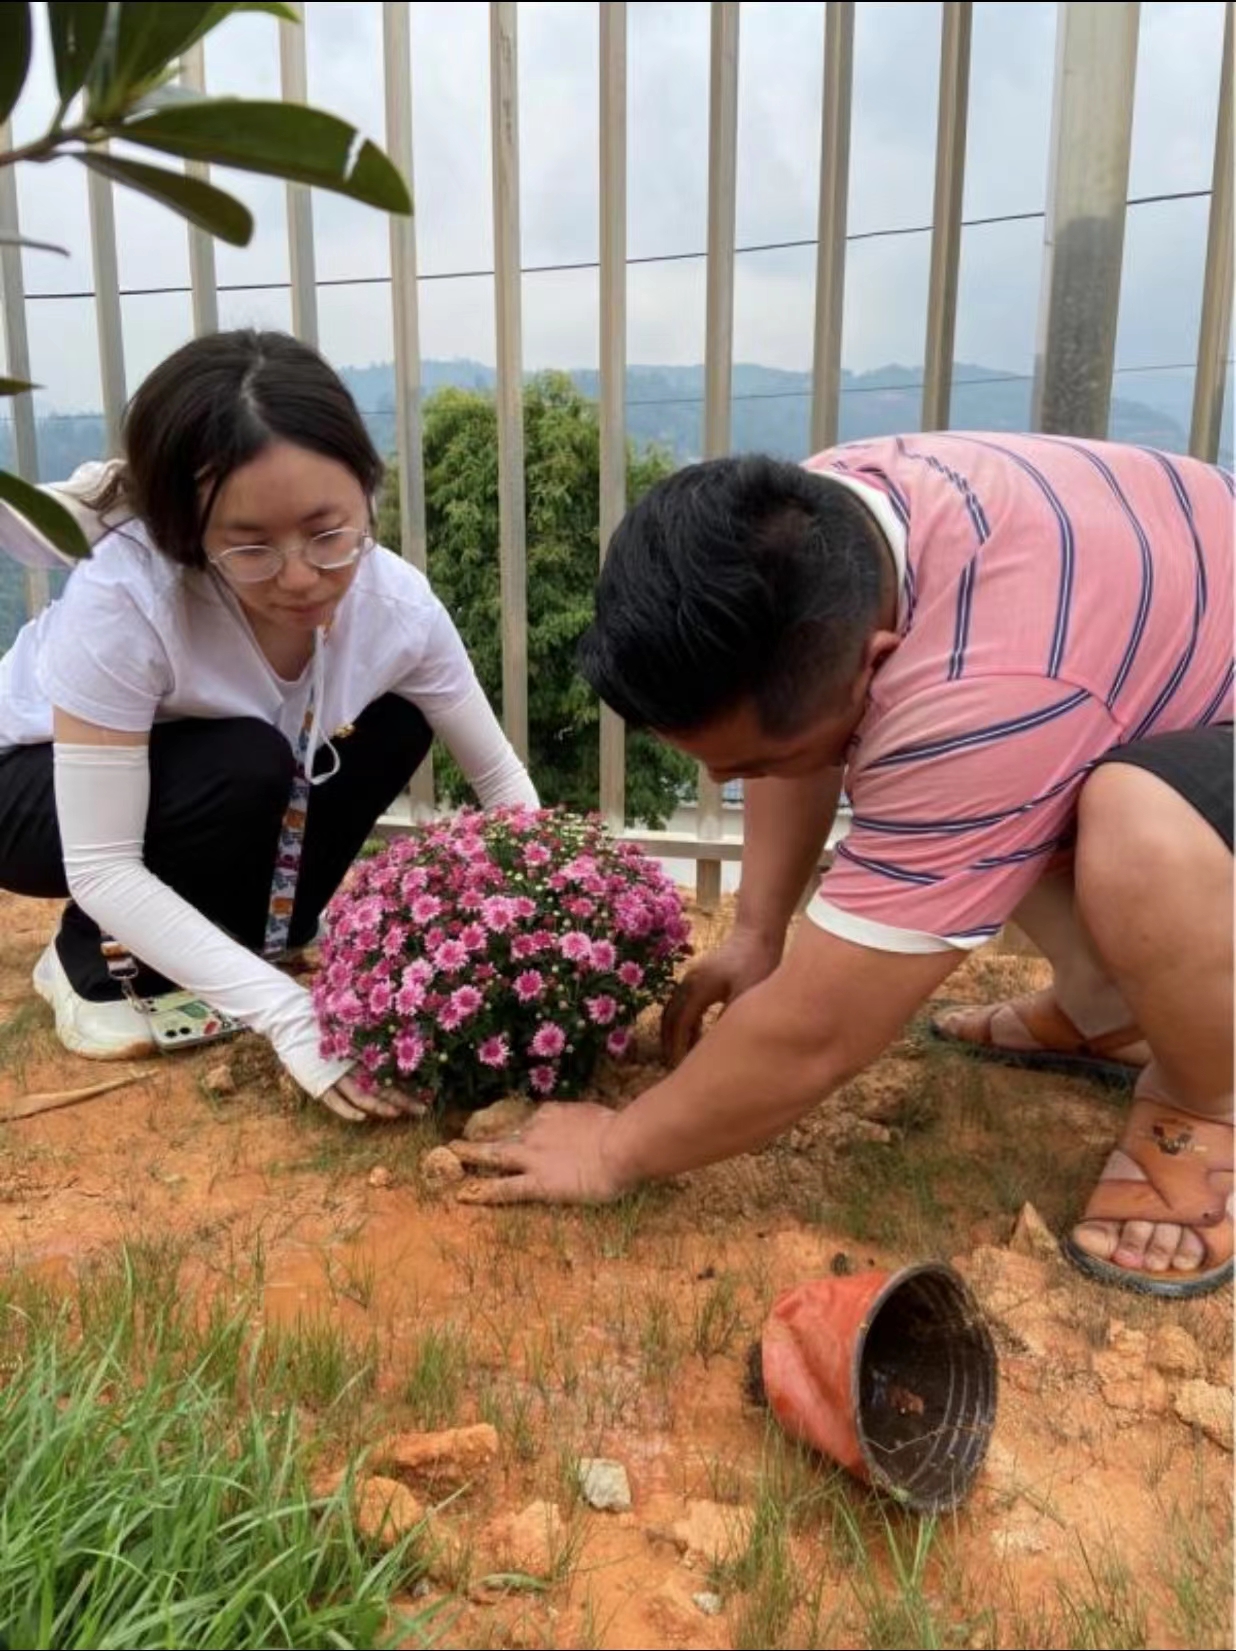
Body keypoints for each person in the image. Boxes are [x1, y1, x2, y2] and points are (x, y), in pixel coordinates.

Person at [451, 433, 1233, 1301]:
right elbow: (804, 731)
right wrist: (757, 932)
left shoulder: (986, 693)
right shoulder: (810, 528)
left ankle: (1205, 1101)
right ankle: (1106, 1008)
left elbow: (819, 1034)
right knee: (1005, 794)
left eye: (751, 765)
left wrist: (614, 1147)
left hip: (1137, 711)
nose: (721, 783)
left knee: (1139, 827)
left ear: (880, 662)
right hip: (1144, 664)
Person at [0, 330, 537, 1123]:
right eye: (249, 547)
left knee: (396, 722)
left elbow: (500, 782)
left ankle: (252, 934)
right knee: (245, 758)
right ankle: (87, 961)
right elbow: (103, 865)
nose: (300, 576)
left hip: (200, 779)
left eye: (328, 532)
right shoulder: (128, 599)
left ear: (366, 490)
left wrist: (549, 917)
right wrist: (290, 1017)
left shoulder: (397, 606)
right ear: (188, 536)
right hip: (28, 782)